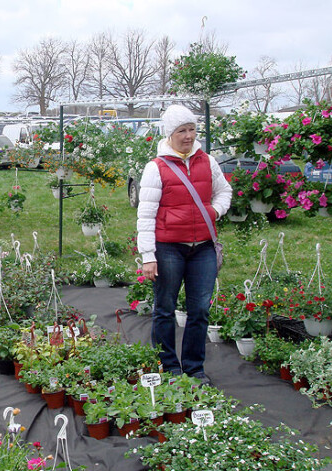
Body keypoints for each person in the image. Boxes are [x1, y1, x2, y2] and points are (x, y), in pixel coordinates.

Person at [136, 104, 232, 385]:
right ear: (170, 134)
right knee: (164, 307)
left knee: (200, 309)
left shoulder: (207, 161)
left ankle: (194, 368)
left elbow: (223, 190)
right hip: (168, 248)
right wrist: (148, 255)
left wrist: (215, 211)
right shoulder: (156, 168)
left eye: (191, 129)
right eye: (182, 131)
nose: (188, 136)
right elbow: (145, 214)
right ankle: (169, 366)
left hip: (203, 247)